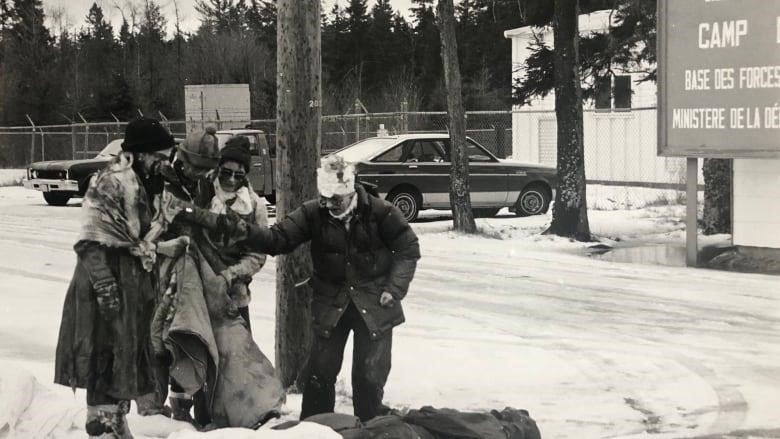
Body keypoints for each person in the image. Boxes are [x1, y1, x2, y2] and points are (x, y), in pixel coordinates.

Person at [178, 155, 420, 422]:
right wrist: (229, 225)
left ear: (351, 192)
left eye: (335, 200)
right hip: (331, 303)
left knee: (369, 376)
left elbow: (408, 249)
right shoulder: (313, 213)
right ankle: (316, 428)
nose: (329, 206)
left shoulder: (381, 212)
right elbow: (276, 239)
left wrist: (394, 288)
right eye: (324, 198)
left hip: (376, 305)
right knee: (320, 373)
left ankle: (372, 426)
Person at [54, 117, 175, 438]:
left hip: (132, 287)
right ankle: (103, 427)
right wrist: (107, 289)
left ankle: (116, 424)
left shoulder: (148, 184)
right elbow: (90, 241)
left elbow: (142, 237)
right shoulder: (110, 182)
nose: (163, 163)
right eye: (158, 156)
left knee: (124, 363)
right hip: (104, 285)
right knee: (104, 360)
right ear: (139, 153)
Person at [206, 135, 268, 330]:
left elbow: (258, 254)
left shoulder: (254, 203)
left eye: (239, 175)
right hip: (200, 289)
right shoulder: (204, 192)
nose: (231, 180)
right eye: (226, 173)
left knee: (239, 354)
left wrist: (232, 274)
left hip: (235, 292)